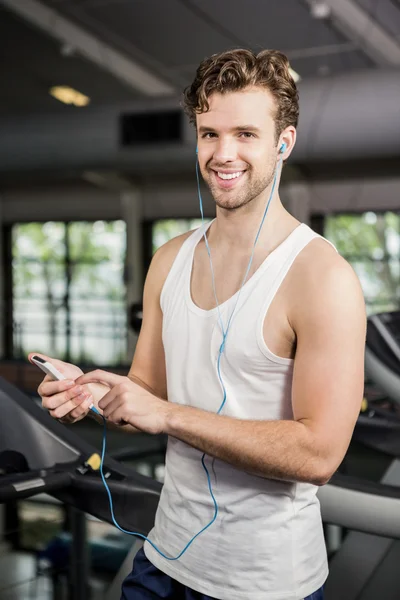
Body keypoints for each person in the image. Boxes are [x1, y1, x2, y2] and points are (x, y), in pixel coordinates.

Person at [32, 48, 366, 600]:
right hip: (165, 559)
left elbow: (319, 454)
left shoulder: (321, 277)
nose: (222, 153)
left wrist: (164, 414)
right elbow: (146, 395)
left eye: (244, 134)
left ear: (284, 142)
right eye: (209, 133)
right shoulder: (169, 259)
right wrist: (94, 393)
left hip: (266, 584)